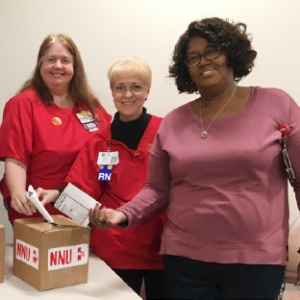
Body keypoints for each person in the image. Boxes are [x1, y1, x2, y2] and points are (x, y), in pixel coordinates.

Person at [89, 17, 300, 300]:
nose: (203, 61)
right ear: (185, 67)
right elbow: (157, 189)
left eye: (212, 50)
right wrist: (123, 214)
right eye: (193, 56)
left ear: (231, 53)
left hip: (256, 262)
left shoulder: (276, 105)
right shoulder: (174, 122)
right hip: (185, 262)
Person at [37, 56, 165, 299]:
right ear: (112, 92)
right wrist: (55, 194)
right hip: (115, 246)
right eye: (120, 87)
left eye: (136, 86)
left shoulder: (166, 132)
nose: (128, 94)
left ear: (147, 90)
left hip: (161, 246)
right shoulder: (98, 141)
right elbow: (81, 187)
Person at [0, 33, 111, 224]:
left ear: (74, 67)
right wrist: (18, 192)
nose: (58, 66)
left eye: (65, 60)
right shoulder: (22, 104)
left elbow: (109, 149)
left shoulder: (89, 104)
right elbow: (15, 157)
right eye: (51, 59)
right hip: (36, 207)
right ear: (40, 64)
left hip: (81, 208)